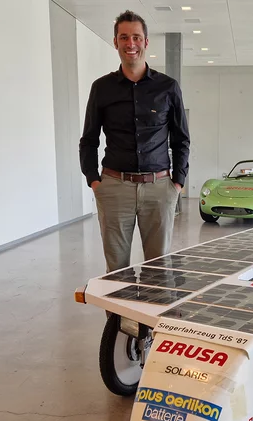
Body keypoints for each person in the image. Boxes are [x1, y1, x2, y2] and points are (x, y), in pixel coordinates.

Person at [79, 10, 190, 273]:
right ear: (115, 42)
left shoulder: (168, 87)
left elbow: (181, 139)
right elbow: (89, 139)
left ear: (146, 42)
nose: (131, 44)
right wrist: (94, 181)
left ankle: (153, 304)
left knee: (158, 268)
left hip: (159, 188)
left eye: (137, 37)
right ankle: (117, 305)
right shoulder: (102, 88)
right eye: (124, 37)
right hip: (114, 187)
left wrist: (178, 182)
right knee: (116, 269)